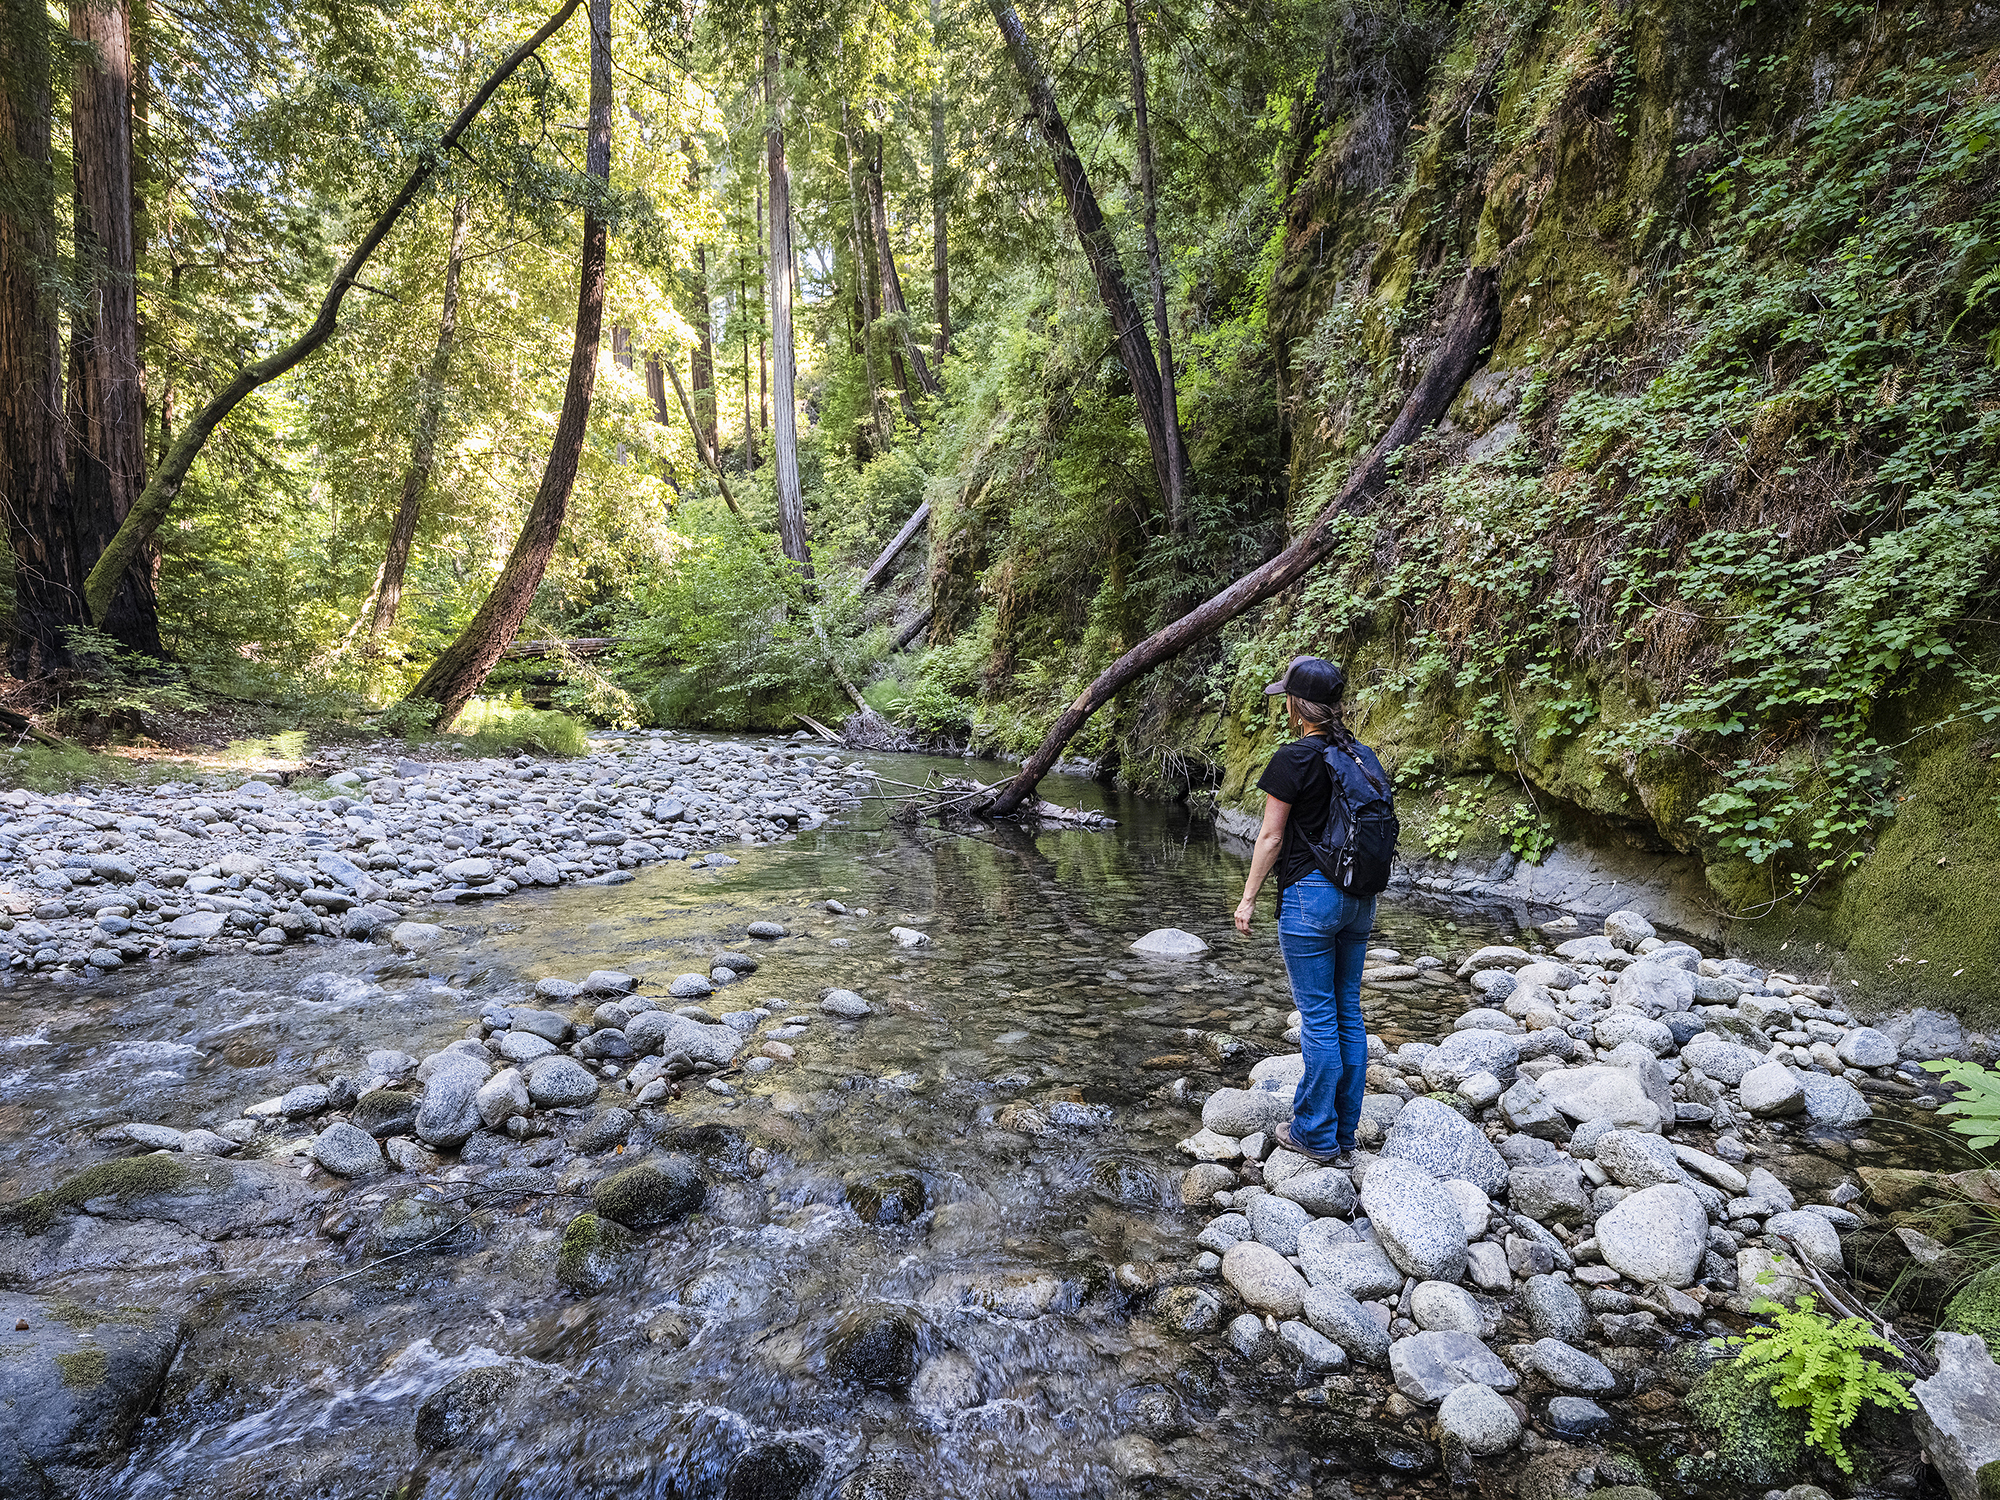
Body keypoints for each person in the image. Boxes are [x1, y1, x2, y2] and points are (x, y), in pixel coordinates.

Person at [1232, 655, 1390, 1166]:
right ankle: (1344, 1134)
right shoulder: (1363, 756)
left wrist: (1249, 896)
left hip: (1309, 898)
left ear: (1298, 709)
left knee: (1319, 1018)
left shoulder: (1294, 758)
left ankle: (1315, 1136)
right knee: (1348, 1012)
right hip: (1359, 897)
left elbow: (1272, 836)